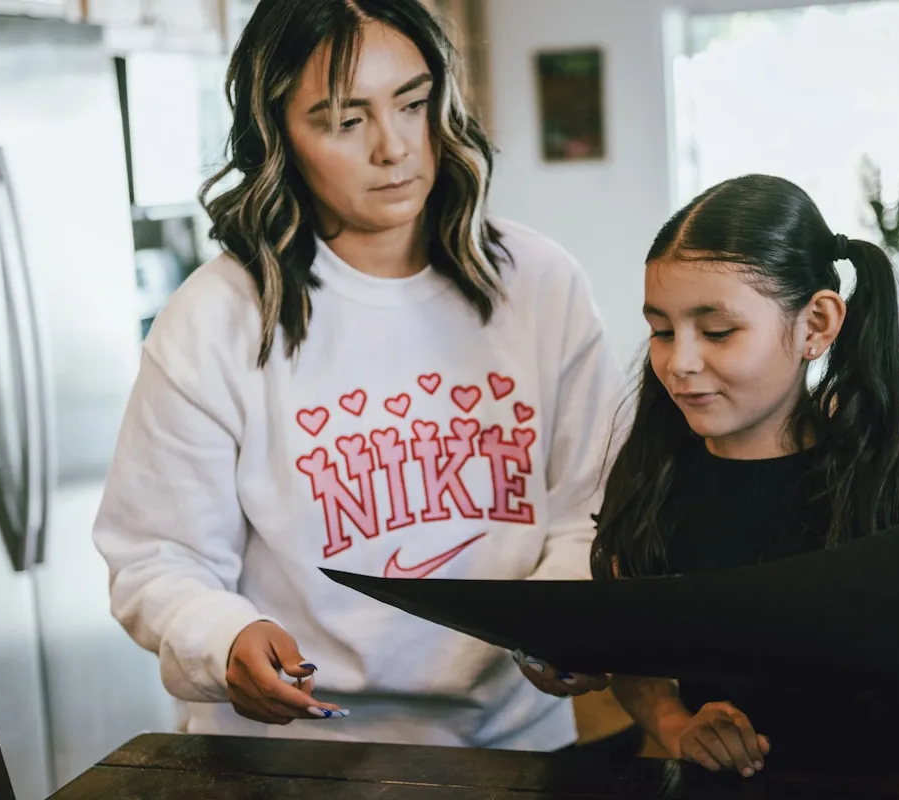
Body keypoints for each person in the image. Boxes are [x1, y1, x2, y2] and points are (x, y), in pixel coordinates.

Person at [92, 0, 621, 751]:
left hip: (512, 747)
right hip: (294, 758)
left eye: (413, 103)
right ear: (279, 135)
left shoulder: (539, 283)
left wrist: (568, 623)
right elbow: (157, 556)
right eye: (345, 121)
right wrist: (225, 636)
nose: (395, 147)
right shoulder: (216, 317)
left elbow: (588, 510)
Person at [584, 174, 899, 776]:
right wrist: (677, 725)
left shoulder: (896, 483)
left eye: (718, 331)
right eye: (661, 330)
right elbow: (637, 665)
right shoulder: (653, 482)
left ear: (816, 325)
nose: (678, 361)